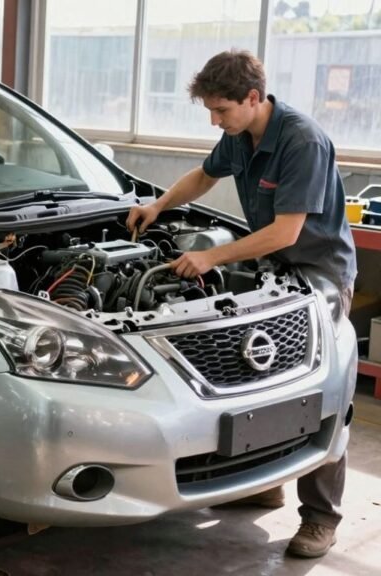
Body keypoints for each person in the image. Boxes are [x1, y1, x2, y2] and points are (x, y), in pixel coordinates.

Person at [126, 50, 357, 559]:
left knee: (317, 388)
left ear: (253, 98)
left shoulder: (301, 141)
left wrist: (211, 258)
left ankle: (321, 517)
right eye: (210, 110)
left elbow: (286, 231)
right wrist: (158, 205)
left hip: (319, 273)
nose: (215, 121)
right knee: (254, 384)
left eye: (221, 110)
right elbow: (204, 176)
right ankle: (264, 481)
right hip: (274, 266)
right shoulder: (239, 134)